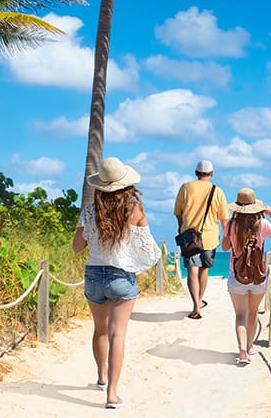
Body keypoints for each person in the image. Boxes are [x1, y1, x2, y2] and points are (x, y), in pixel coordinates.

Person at [72, 157, 160, 410]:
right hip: (120, 277)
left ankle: (101, 377)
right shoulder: (134, 210)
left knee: (100, 330)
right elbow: (148, 248)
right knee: (117, 334)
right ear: (126, 185)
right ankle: (111, 394)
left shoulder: (90, 212)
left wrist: (91, 234)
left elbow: (77, 247)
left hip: (93, 276)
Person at [222, 187, 271, 364]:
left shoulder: (231, 225)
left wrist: (228, 232)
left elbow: (225, 248)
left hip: (237, 276)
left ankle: (242, 350)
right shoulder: (262, 224)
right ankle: (250, 346)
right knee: (253, 312)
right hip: (258, 276)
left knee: (240, 314)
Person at [173, 159, 229, 319]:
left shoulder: (185, 187)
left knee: (192, 270)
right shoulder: (217, 191)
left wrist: (181, 227)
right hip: (210, 236)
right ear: (211, 173)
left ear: (196, 173)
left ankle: (196, 305)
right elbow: (224, 218)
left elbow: (178, 212)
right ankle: (199, 300)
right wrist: (227, 236)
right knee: (204, 269)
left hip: (190, 236)